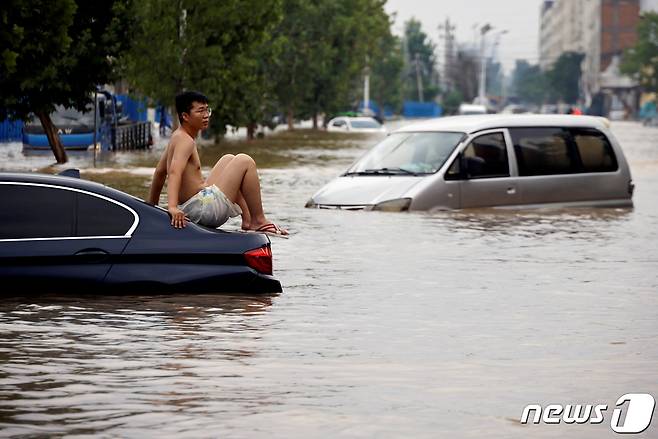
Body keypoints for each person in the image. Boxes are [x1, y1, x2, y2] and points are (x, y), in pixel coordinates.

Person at [147, 91, 288, 236]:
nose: (206, 115)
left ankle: (248, 220)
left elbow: (159, 173)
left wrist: (150, 209)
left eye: (207, 109)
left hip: (196, 205)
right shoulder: (185, 141)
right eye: (200, 111)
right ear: (185, 116)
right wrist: (172, 207)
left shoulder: (176, 137)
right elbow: (174, 172)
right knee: (244, 161)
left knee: (228, 160)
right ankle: (258, 220)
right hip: (201, 209)